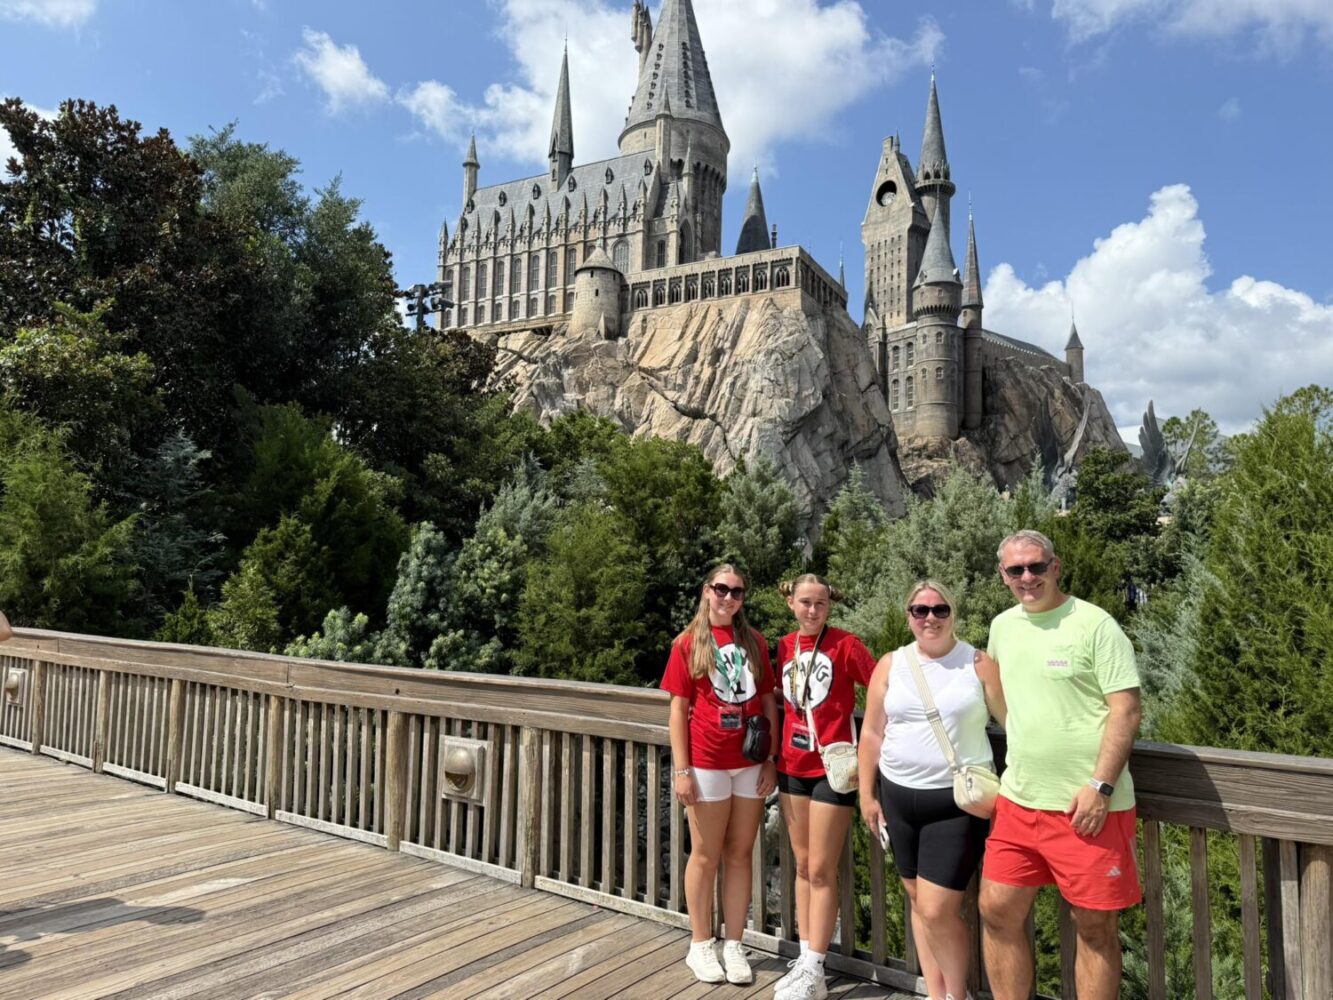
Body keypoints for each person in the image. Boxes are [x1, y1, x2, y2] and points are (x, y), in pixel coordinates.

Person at [979, 530, 1142, 1000]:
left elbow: (1127, 709)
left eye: (1036, 566)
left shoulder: (1095, 624)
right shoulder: (1002, 626)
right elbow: (1006, 700)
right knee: (997, 911)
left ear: (1056, 566)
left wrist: (1101, 785)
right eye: (1016, 569)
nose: (1027, 577)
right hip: (1019, 800)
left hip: (1087, 807)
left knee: (1094, 928)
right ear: (1003, 575)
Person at [859, 580, 1005, 1000]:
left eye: (940, 609)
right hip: (898, 797)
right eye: (920, 610)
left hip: (956, 802)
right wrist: (867, 794)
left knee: (936, 909)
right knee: (917, 901)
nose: (930, 618)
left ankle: (957, 995)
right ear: (908, 615)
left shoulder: (977, 663)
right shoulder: (891, 664)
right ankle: (935, 992)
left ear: (953, 613)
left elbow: (1014, 725)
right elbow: (871, 732)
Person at [661, 563, 778, 985]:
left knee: (740, 854)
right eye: (722, 589)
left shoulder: (754, 642)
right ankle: (700, 943)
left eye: (737, 592)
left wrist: (771, 759)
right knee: (706, 854)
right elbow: (677, 710)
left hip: (749, 761)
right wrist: (682, 770)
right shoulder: (688, 643)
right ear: (707, 591)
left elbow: (767, 701)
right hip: (707, 761)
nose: (729, 597)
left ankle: (734, 943)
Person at [771, 574, 877, 1000]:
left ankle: (816, 966)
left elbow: (881, 689)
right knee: (801, 865)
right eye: (805, 603)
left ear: (829, 605)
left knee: (820, 868)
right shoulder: (784, 646)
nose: (812, 611)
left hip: (833, 768)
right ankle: (804, 957)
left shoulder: (846, 645)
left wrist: (873, 745)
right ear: (791, 604)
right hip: (791, 765)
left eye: (820, 604)